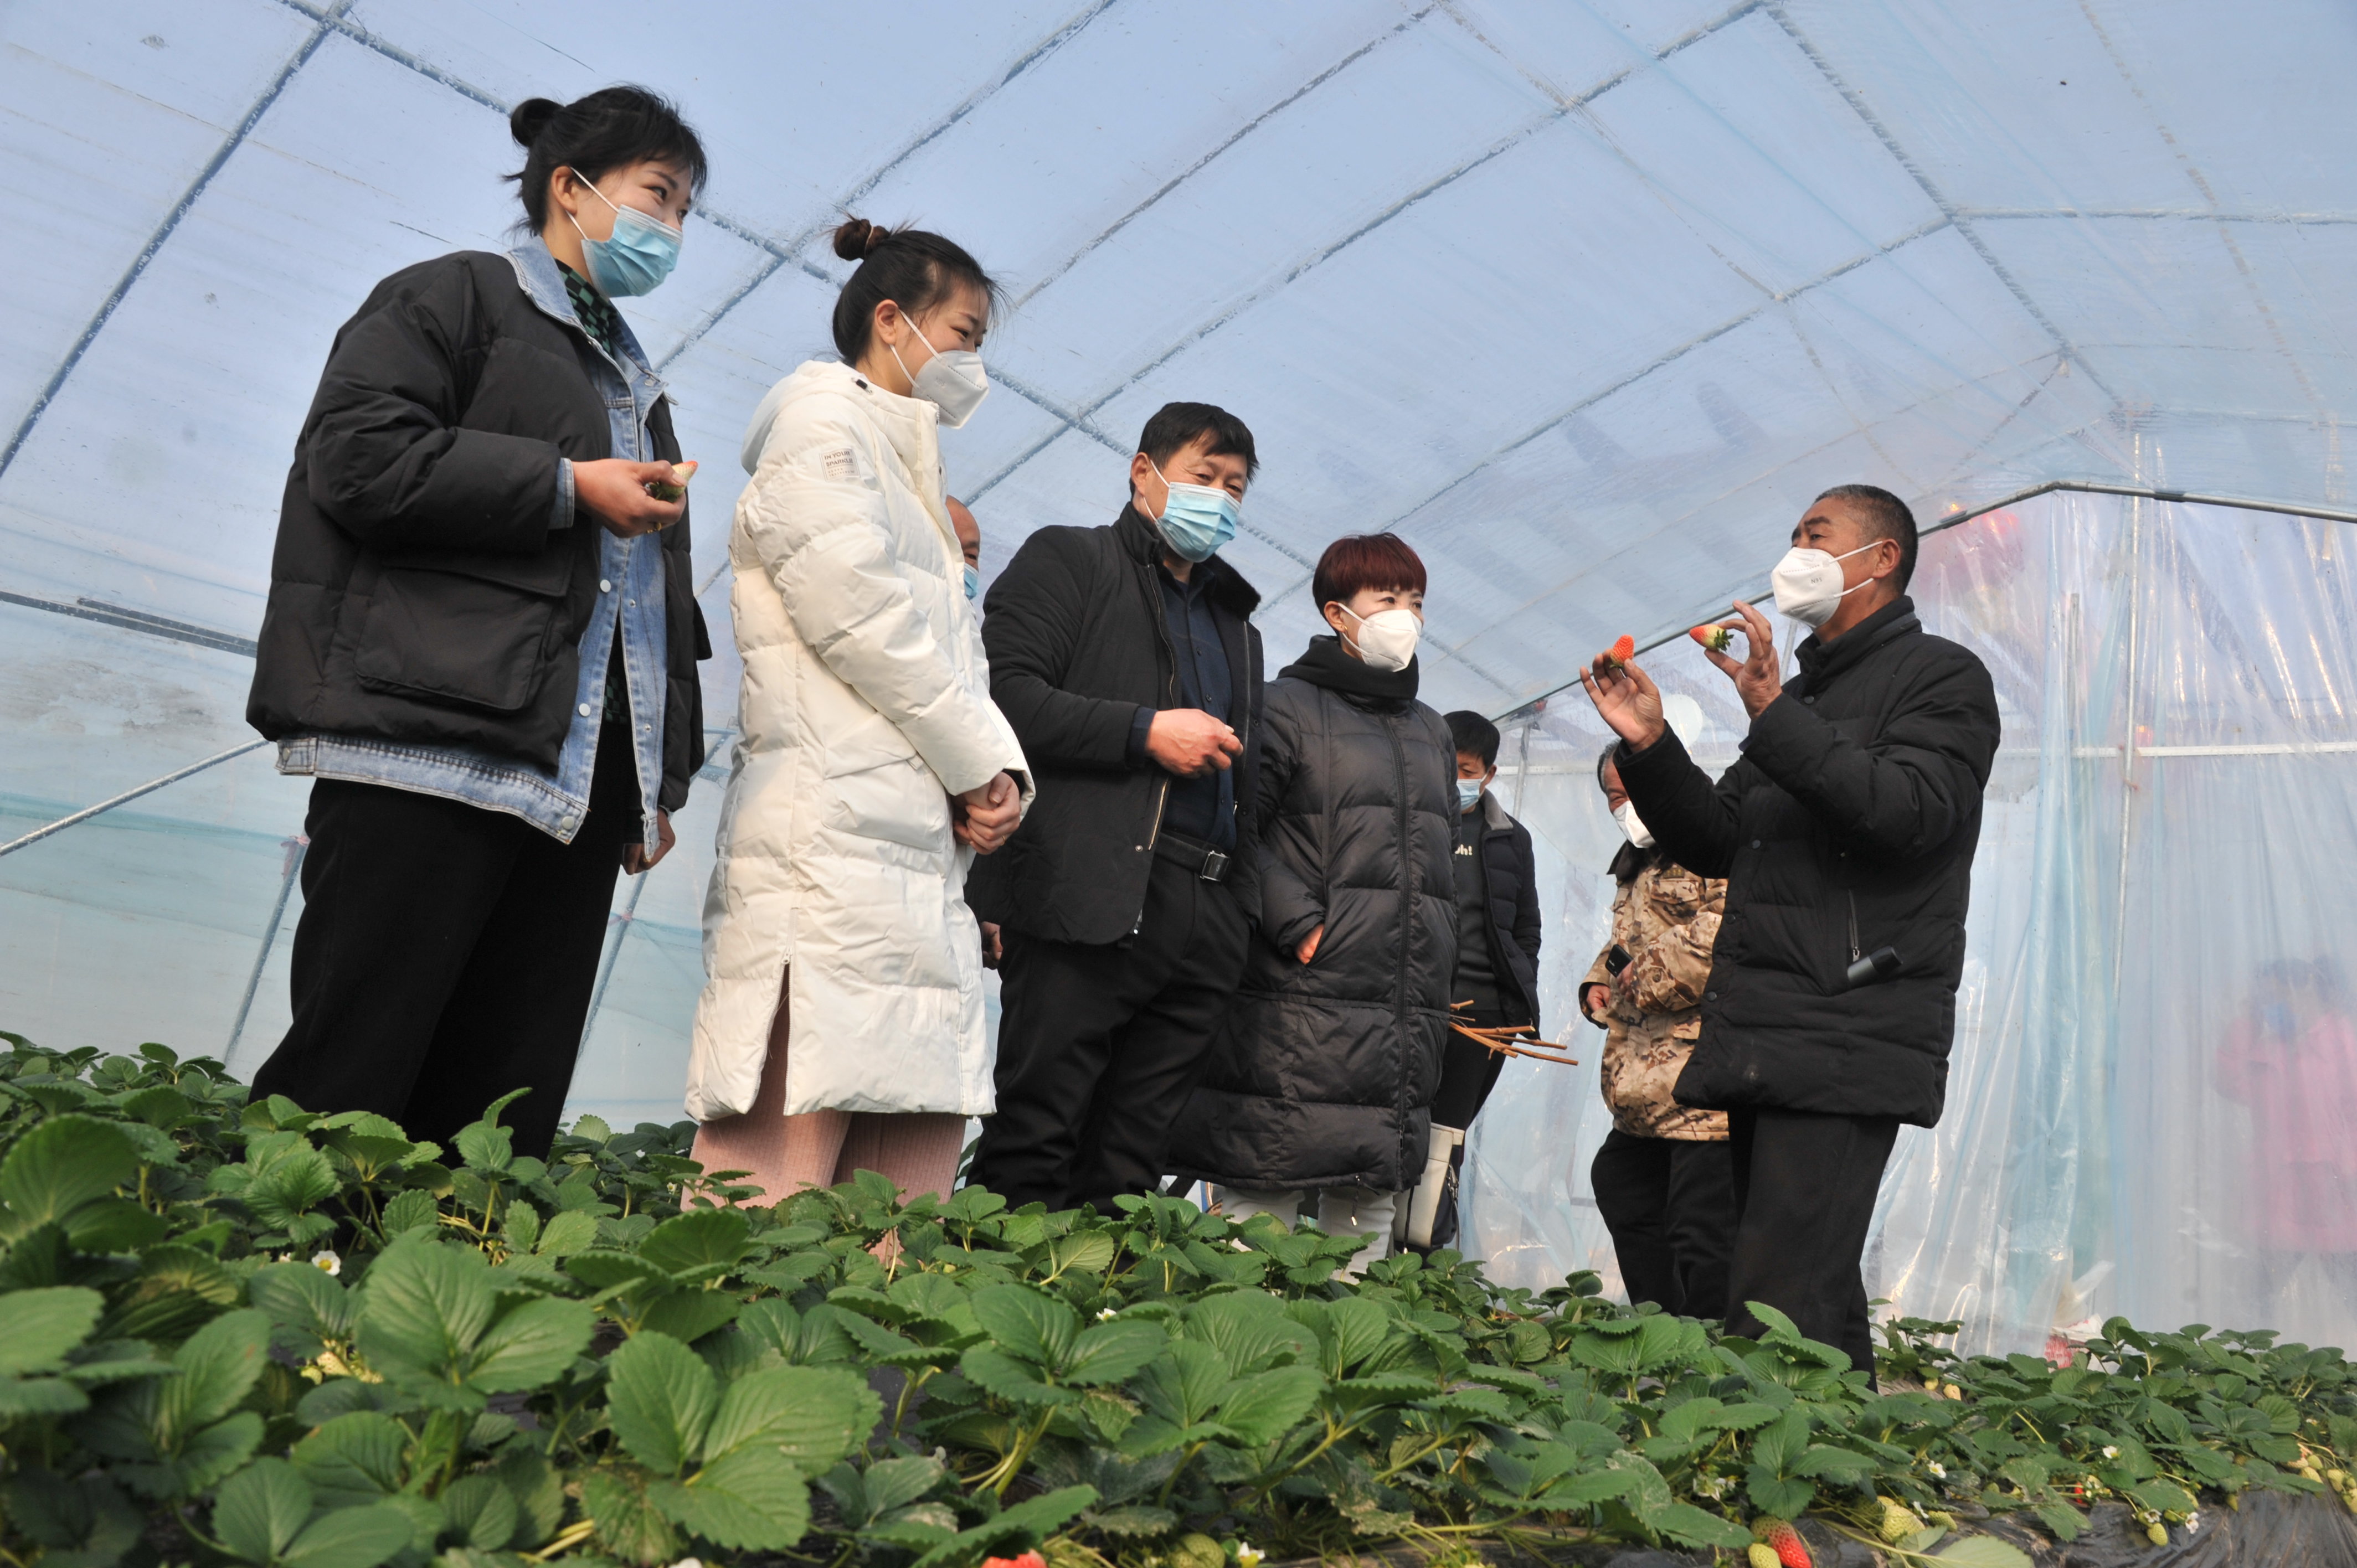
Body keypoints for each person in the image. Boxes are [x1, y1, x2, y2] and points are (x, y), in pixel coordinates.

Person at [245, 87, 711, 1158]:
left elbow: (641, 603)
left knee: (504, 1104)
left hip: (567, 783)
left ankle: (448, 1267)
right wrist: (565, 484)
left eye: (686, 210)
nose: (672, 229)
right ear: (570, 188)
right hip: (430, 748)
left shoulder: (633, 377)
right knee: (355, 1072)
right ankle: (298, 1261)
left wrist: (650, 780)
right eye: (658, 196)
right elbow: (356, 460)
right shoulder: (455, 298)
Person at [1579, 483, 1999, 1373]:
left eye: (1816, 535)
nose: (1795, 554)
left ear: (1882, 558)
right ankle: (1840, 1450)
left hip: (1848, 1019)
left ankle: (1760, 1456)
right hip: (1770, 1030)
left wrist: (1774, 715)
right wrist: (1651, 745)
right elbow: (1719, 838)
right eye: (1793, 536)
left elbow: (1910, 814)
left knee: (1776, 1303)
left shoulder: (1940, 678)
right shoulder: (1806, 692)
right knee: (1807, 1294)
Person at [686, 218, 1031, 1206]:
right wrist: (980, 764)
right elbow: (864, 621)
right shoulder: (822, 431)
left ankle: (880, 1320)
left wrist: (995, 781)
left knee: (896, 1200)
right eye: (962, 335)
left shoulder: (904, 460)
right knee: (772, 1188)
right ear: (892, 320)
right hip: (830, 844)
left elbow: (948, 663)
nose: (971, 362)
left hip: (901, 856)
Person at [964, 405, 1265, 1213]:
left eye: (1235, 487)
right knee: (1038, 1132)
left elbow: (1251, 776)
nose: (1220, 498)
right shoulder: (1072, 560)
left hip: (1202, 910)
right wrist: (1144, 733)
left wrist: (1237, 910)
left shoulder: (1235, 623)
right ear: (1143, 472)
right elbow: (1002, 695)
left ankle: (1101, 1290)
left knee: (1133, 1160)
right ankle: (999, 1283)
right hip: (1089, 890)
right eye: (1203, 477)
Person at [1172, 533, 1458, 1268]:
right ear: (1337, 613)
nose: (1406, 616)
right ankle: (1245, 1330)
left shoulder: (1431, 730)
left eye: (1415, 601)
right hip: (1296, 995)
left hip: (1400, 1004)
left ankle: (1346, 1336)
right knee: (1263, 1180)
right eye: (1387, 599)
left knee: (1366, 1198)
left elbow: (1436, 864)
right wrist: (1297, 920)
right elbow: (1236, 828)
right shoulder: (1282, 710)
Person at [1579, 746, 1735, 1316]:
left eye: (1633, 793)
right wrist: (1600, 979)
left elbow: (1722, 936)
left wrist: (1635, 979)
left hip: (1699, 1086)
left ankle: (1713, 1347)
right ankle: (1661, 1328)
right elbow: (1631, 939)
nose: (1624, 808)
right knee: (1622, 1185)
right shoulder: (1638, 860)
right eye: (1613, 797)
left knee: (1702, 1230)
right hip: (1642, 1080)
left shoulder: (1717, 843)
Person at [1399, 710, 1542, 1252]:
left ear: (1489, 774)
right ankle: (1377, 1246)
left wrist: (1517, 990)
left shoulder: (1510, 838)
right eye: (1446, 765)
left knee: (1446, 1138)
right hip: (1415, 1009)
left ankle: (1422, 1251)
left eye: (1465, 770)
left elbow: (1525, 928)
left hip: (1483, 1021)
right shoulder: (1410, 823)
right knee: (1398, 1126)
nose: (1454, 778)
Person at [2215, 958, 2357, 1317]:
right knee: (2253, 1299)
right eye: (2264, 999)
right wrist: (2249, 1019)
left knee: (2350, 1288)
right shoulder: (2270, 1050)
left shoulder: (2343, 1045)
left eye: (2275, 997)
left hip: (2334, 1196)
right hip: (2282, 1198)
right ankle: (2252, 1352)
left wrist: (2347, 1170)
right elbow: (2228, 1081)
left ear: (2305, 991)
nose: (2271, 1007)